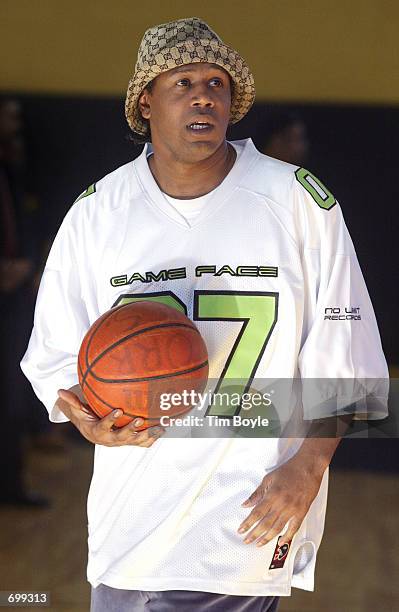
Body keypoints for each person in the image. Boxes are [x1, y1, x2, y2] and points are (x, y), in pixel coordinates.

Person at [21, 17, 388, 611]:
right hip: (129, 519)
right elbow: (55, 356)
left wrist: (310, 467)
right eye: (183, 82)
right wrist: (84, 419)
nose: (203, 96)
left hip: (243, 518)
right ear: (146, 101)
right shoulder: (97, 211)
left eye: (217, 84)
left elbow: (345, 355)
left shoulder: (296, 200)